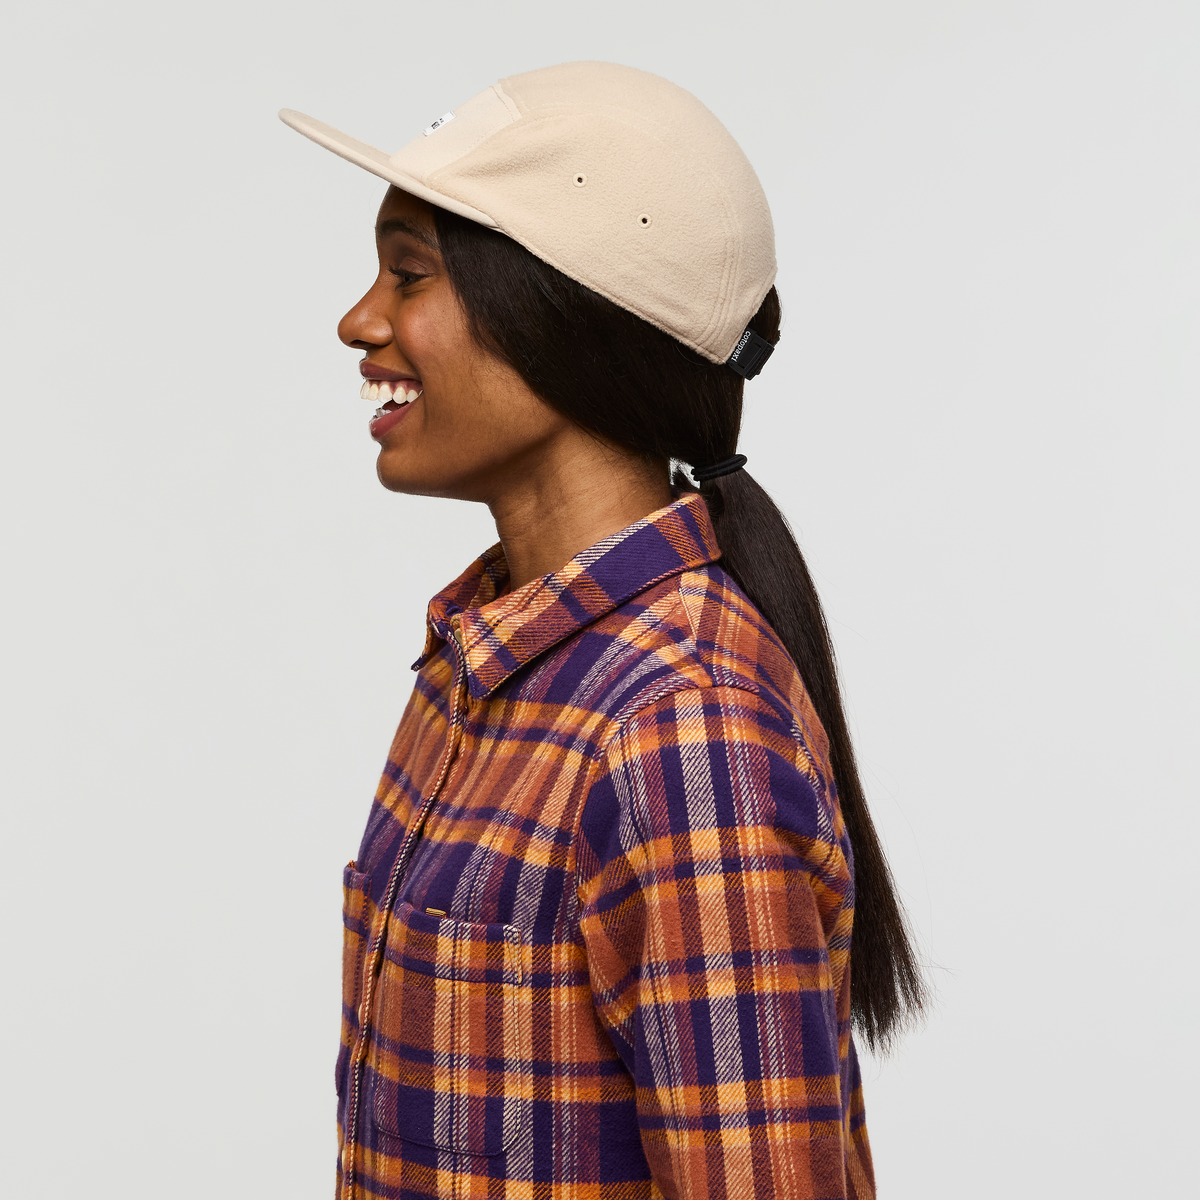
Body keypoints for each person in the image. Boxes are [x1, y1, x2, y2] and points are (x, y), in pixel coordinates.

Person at [280, 61, 924, 1200]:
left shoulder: (681, 732)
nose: (359, 320)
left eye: (409, 273)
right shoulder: (479, 665)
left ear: (558, 318)